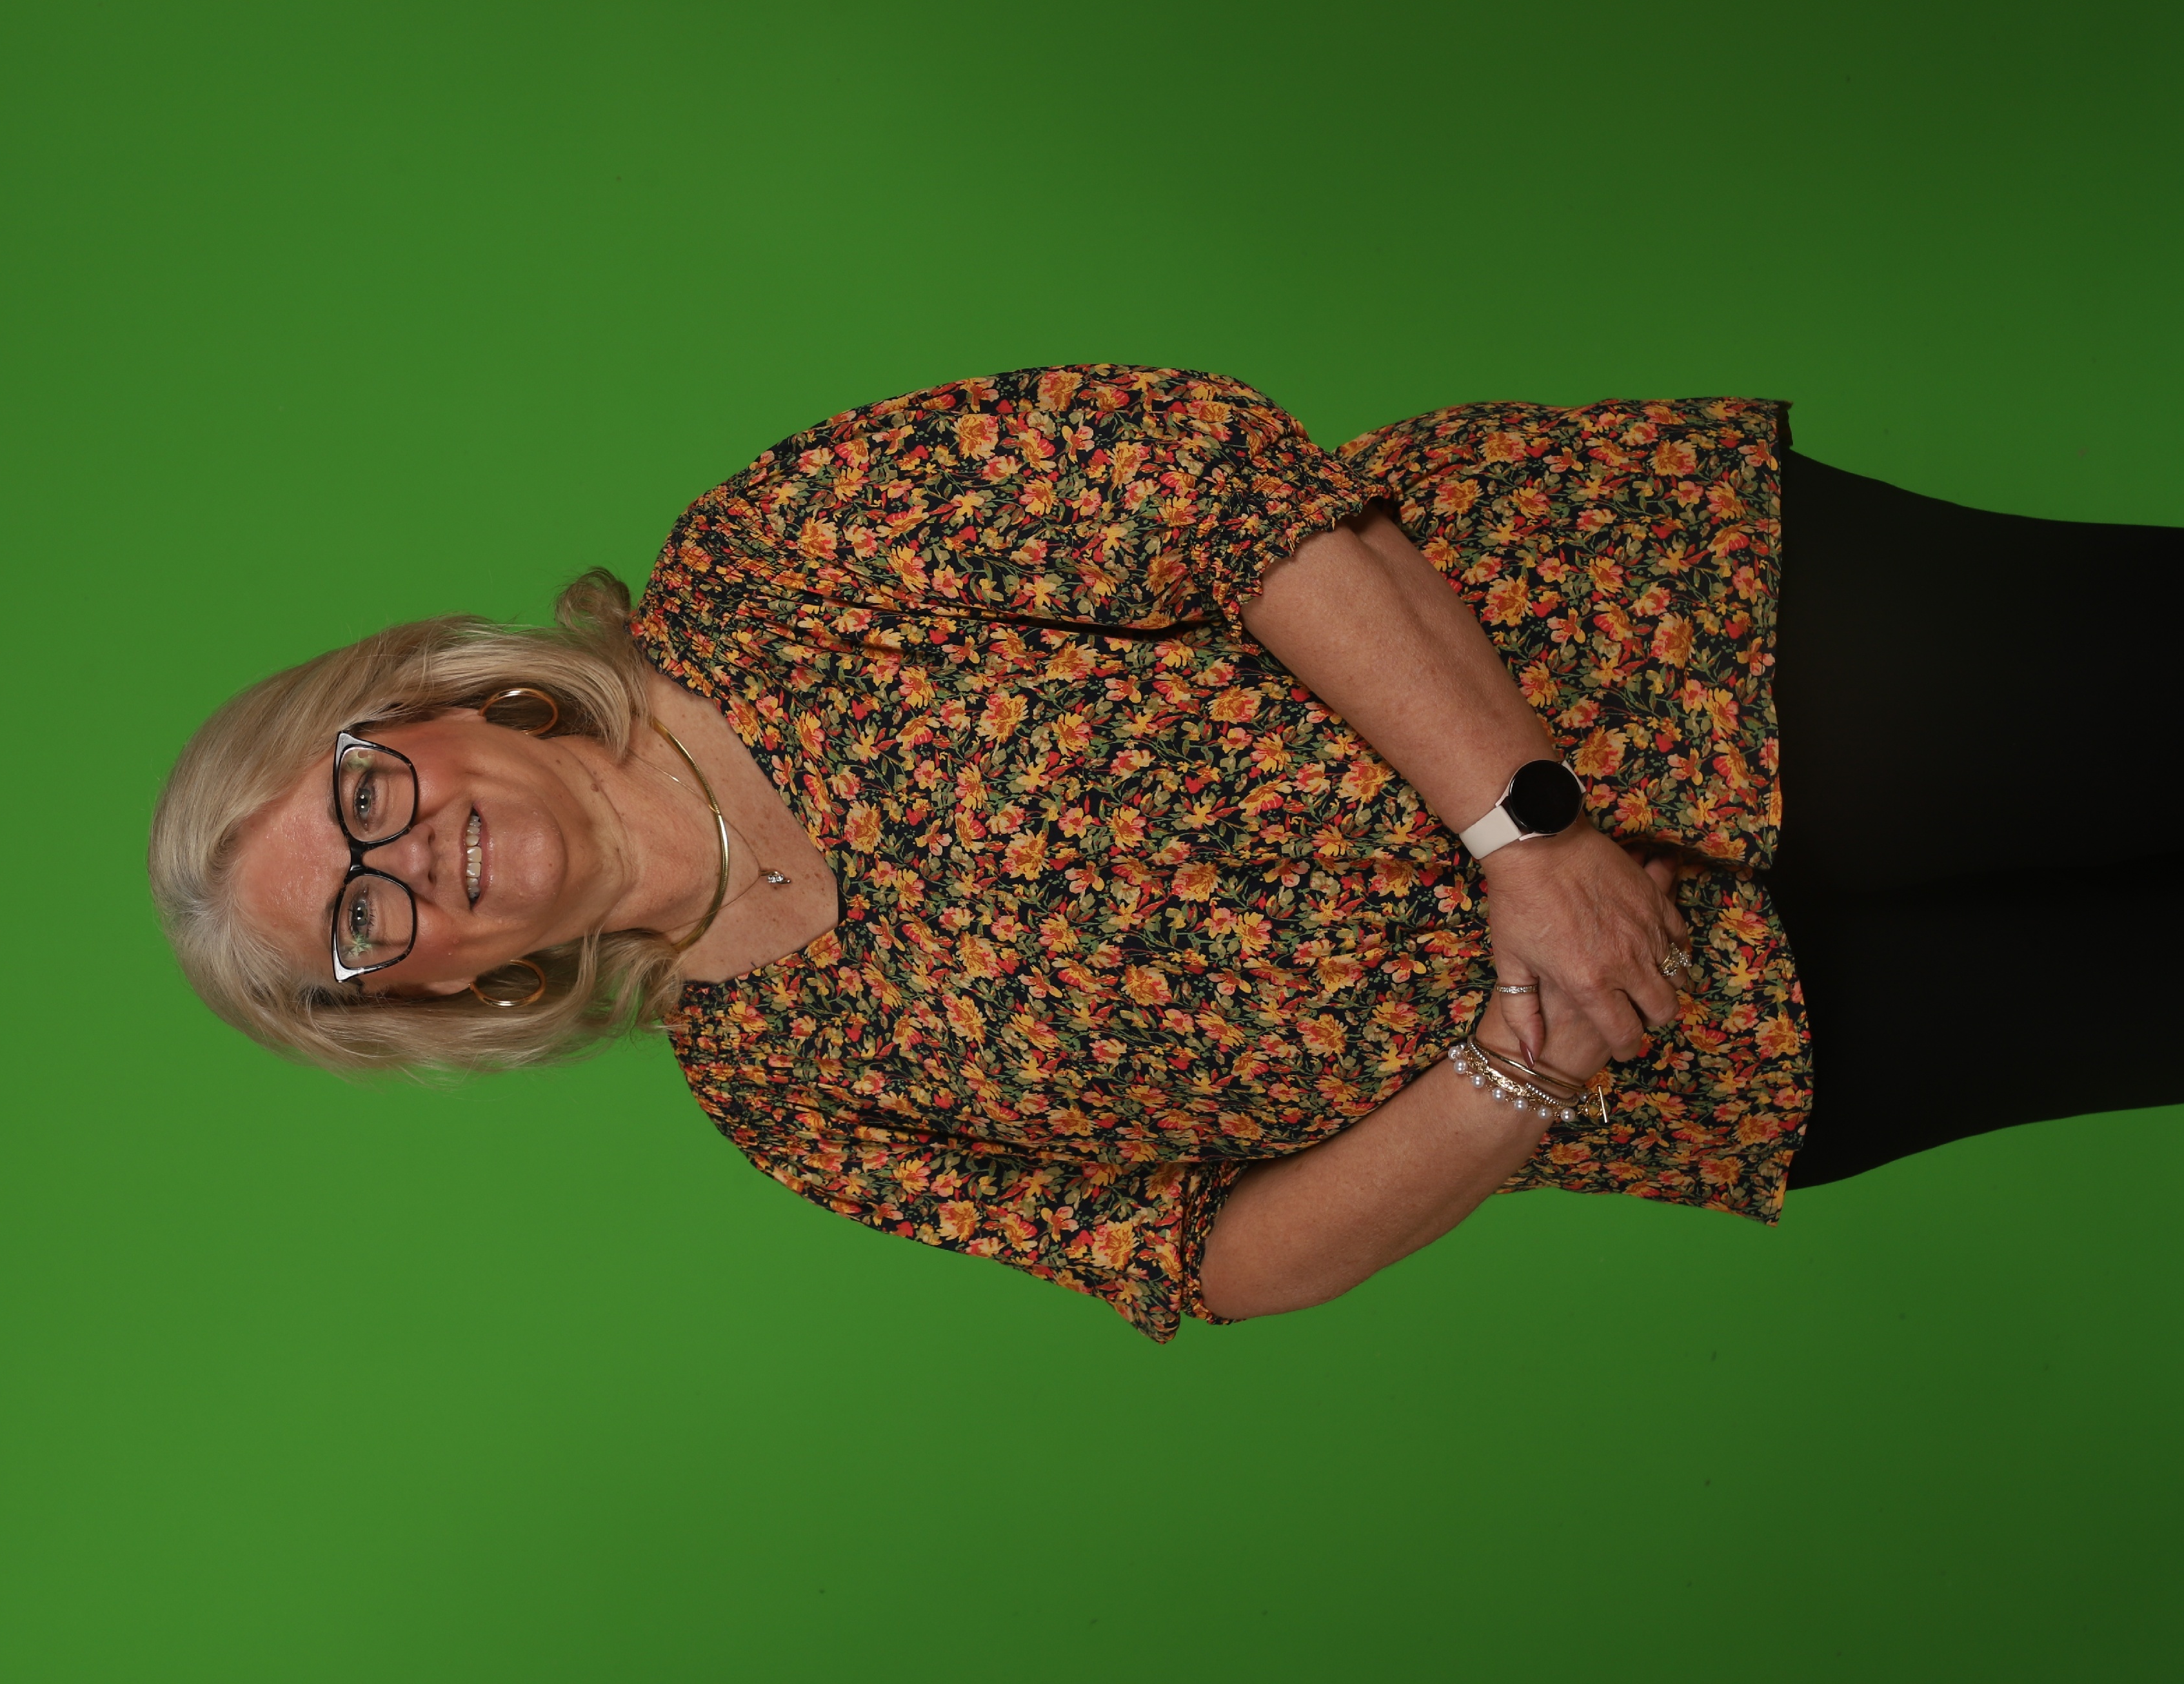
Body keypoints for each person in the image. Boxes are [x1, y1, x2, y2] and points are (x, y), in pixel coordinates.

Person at [148, 366, 2180, 1341]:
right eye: (360, 919)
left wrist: (1527, 833)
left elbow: (1222, 492)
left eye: (364, 791)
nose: (410, 858)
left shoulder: (766, 568)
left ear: (433, 704)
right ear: (430, 996)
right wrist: (1524, 1063)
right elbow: (1202, 1257)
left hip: (1684, 650)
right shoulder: (785, 1100)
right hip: (1705, 1046)